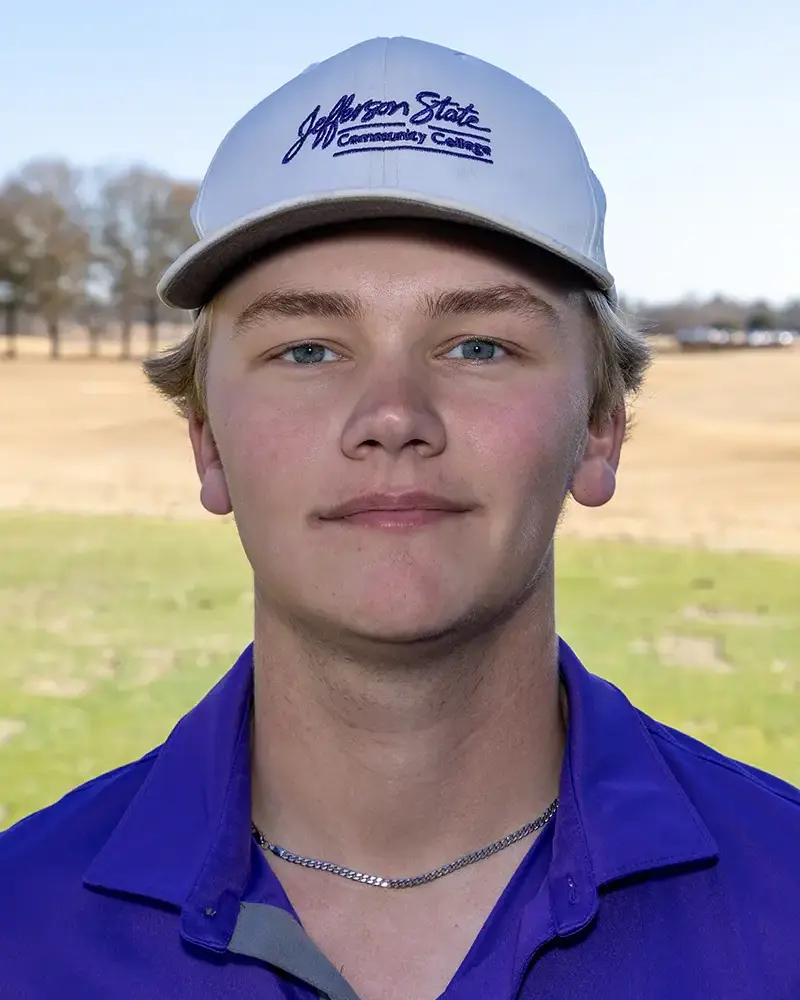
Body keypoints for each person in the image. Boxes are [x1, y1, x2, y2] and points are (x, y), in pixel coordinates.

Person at [2, 35, 798, 1000]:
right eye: (306, 349)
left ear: (599, 429)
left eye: (477, 344)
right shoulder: (20, 926)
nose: (392, 417)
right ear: (207, 443)